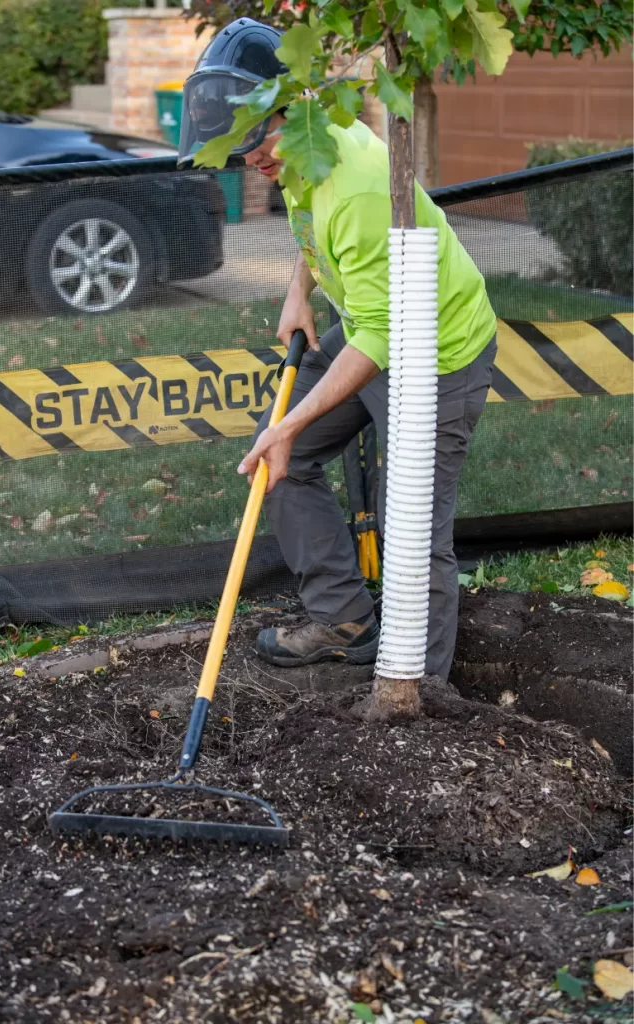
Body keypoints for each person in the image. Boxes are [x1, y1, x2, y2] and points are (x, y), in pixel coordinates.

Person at [179, 18, 497, 681]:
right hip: (368, 323)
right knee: (283, 462)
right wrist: (299, 289)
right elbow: (308, 223)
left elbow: (383, 339)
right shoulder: (303, 143)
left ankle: (418, 692)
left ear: (288, 105)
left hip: (435, 348)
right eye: (236, 148)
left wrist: (291, 421)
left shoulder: (354, 181)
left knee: (408, 528)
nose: (249, 159)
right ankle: (342, 620)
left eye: (252, 140)